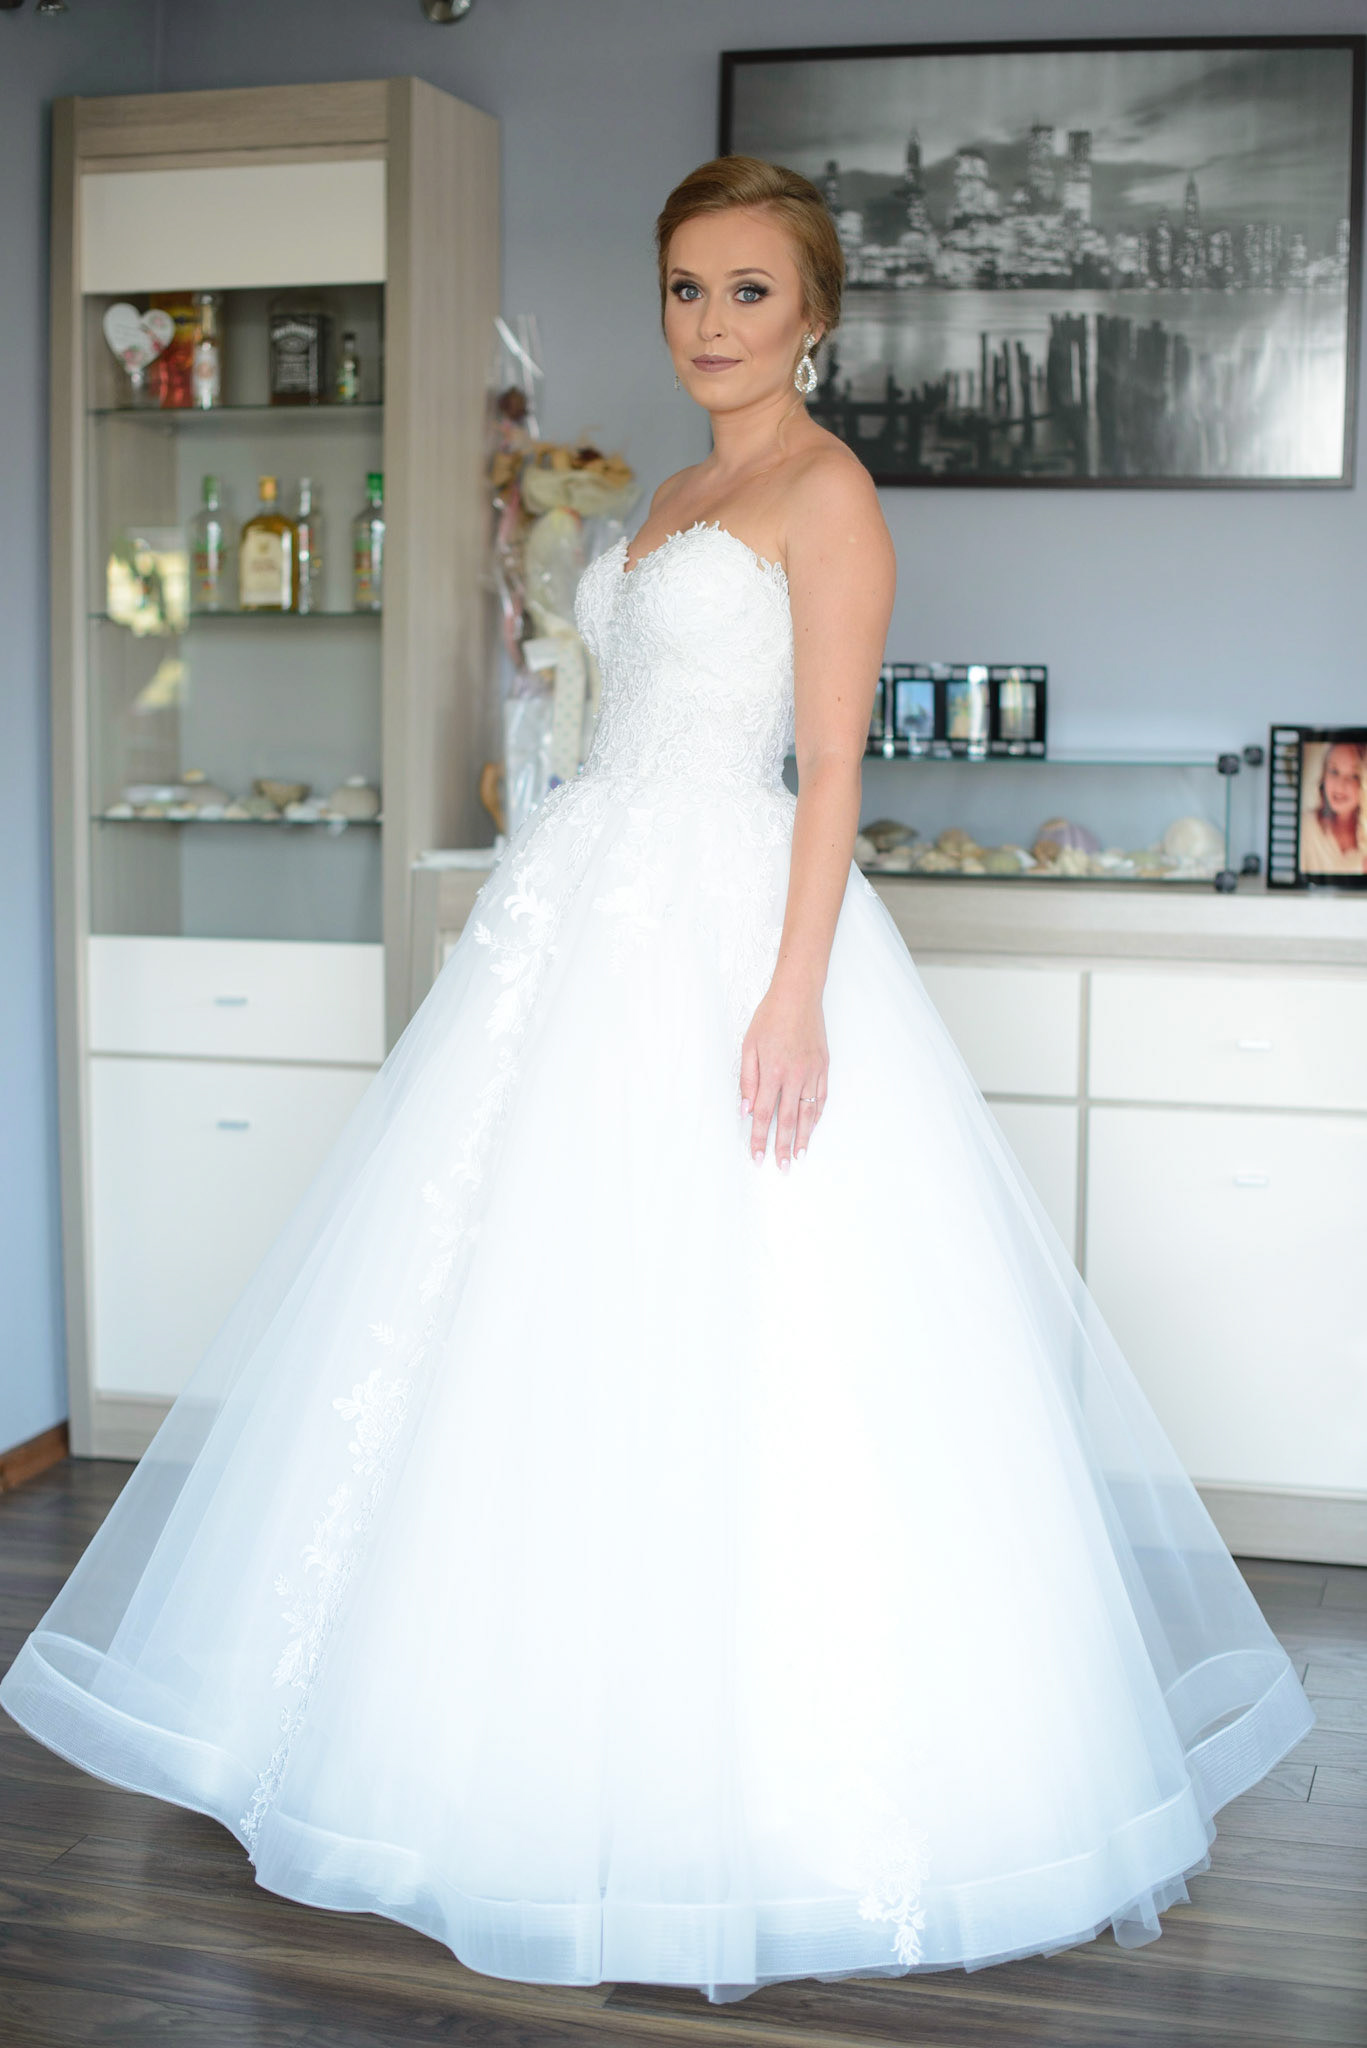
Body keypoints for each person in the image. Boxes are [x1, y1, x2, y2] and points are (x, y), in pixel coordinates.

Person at [1, 155, 1315, 2007]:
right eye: (686, 288)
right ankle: (470, 1720)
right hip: (584, 917)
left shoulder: (826, 493)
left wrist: (790, 997)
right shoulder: (672, 495)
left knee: (747, 1316)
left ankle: (729, 1776)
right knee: (524, 1310)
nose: (710, 322)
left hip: (724, 933)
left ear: (815, 315)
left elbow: (831, 772)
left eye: (747, 291)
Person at [1299, 736, 1367, 876]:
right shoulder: (1305, 827)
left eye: (1354, 776)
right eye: (1334, 771)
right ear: (1324, 776)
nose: (1341, 785)